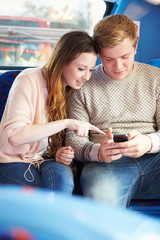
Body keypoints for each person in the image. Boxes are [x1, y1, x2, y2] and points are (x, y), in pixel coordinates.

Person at [65, 15, 160, 207]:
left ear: (136, 45)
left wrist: (148, 142)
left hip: (155, 160)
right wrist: (98, 152)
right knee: (101, 202)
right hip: (104, 166)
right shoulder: (83, 84)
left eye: (125, 57)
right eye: (109, 59)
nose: (118, 67)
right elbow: (72, 139)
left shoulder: (156, 78)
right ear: (98, 53)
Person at [0, 31, 104, 194]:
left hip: (46, 159)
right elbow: (14, 136)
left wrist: (61, 153)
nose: (87, 77)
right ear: (62, 61)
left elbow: (52, 143)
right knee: (36, 197)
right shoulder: (29, 79)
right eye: (81, 69)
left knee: (64, 183)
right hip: (14, 159)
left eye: (90, 70)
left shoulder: (71, 90)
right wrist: (65, 123)